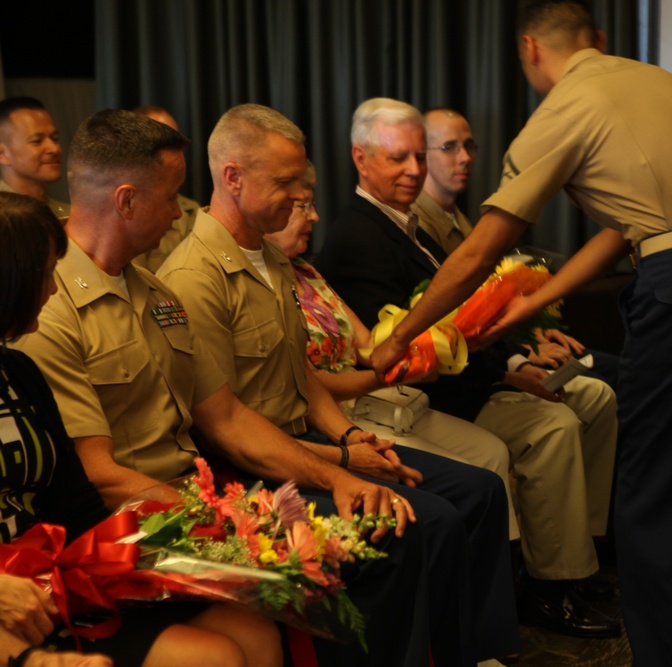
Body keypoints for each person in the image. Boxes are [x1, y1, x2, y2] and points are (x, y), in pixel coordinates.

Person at [368, 2, 672, 666]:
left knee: (647, 504)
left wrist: (401, 337)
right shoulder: (663, 83)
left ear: (530, 48)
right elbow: (635, 223)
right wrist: (546, 293)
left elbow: (479, 251)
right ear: (597, 39)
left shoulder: (565, 109)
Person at [11, 109, 429, 667]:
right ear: (126, 201)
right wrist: (228, 522)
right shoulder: (50, 311)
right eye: (172, 198)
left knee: (367, 545)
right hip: (131, 526)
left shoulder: (157, 293)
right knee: (323, 573)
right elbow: (99, 477)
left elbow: (226, 417)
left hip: (196, 499)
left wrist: (338, 474)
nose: (183, 214)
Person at [156, 103, 518, 666]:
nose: (299, 197)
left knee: (478, 492)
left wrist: (351, 439)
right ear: (232, 178)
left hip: (311, 439)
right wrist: (337, 462)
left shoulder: (272, 258)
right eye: (285, 183)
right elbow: (226, 428)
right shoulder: (193, 276)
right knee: (420, 522)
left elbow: (298, 374)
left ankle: (467, 652)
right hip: (260, 464)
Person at [315, 97, 620, 639]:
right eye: (397, 159)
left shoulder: (412, 227)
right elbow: (412, 350)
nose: (415, 170)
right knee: (553, 426)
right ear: (361, 160)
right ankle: (553, 584)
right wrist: (506, 371)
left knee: (593, 398)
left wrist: (514, 354)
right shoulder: (357, 238)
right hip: (431, 396)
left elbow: (464, 318)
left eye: (417, 156)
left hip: (460, 381)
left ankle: (580, 559)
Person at [0, 192, 283, 667]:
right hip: (11, 591)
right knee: (211, 656)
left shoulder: (19, 372)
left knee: (252, 626)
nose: (51, 290)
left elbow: (75, 503)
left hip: (55, 579)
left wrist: (191, 537)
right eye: (45, 274)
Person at [264, 160, 521, 541]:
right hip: (332, 417)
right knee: (472, 477)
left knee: (491, 452)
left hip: (372, 401)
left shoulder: (306, 272)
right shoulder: (264, 283)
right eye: (302, 206)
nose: (315, 216)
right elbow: (313, 383)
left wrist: (443, 340)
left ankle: (505, 575)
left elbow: (368, 344)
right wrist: (387, 374)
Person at [414, 107, 618, 388]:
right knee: (602, 384)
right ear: (420, 154)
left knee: (614, 370)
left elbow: (486, 302)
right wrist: (523, 350)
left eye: (470, 146)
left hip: (502, 347)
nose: (465, 158)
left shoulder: (459, 219)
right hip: (473, 369)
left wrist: (535, 332)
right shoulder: (418, 226)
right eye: (449, 147)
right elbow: (447, 318)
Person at [130, 105, 201, 273]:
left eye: (177, 143)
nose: (174, 152)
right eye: (164, 143)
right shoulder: (129, 210)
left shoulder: (192, 211)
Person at [0, 98, 69, 219]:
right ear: (2, 154)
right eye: (37, 141)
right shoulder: (5, 216)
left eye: (55, 138)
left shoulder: (67, 215)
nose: (54, 149)